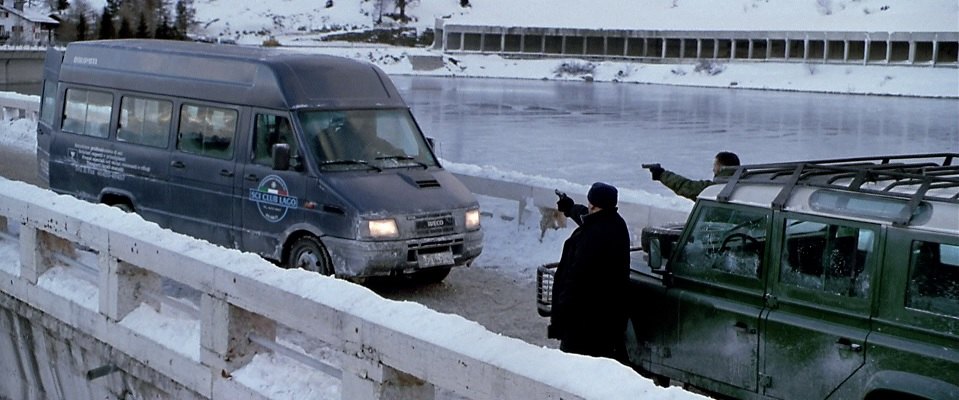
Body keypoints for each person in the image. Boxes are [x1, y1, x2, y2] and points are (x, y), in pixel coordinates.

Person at [548, 182, 631, 359]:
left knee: (573, 371)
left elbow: (576, 279)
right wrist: (570, 208)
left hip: (584, 323)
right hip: (608, 321)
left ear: (592, 204)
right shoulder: (616, 224)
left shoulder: (593, 236)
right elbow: (587, 218)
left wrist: (561, 314)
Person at [647, 151, 741, 201]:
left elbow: (687, 187)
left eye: (715, 166)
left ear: (722, 168)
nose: (713, 170)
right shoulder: (744, 184)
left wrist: (661, 174)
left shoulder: (716, 189)